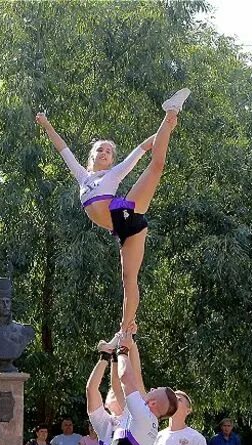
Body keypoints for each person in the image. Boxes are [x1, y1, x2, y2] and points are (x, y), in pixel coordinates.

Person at [36, 88, 191, 342]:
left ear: (111, 160)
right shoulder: (82, 176)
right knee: (129, 279)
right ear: (92, 157)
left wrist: (167, 126)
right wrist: (45, 123)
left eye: (109, 151)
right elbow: (61, 147)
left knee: (156, 165)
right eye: (100, 150)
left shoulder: (114, 173)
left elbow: (143, 148)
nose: (105, 153)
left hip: (124, 212)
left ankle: (170, 110)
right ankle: (125, 330)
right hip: (124, 230)